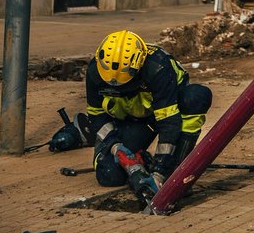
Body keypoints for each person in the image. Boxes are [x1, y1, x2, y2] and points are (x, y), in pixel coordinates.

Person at [86, 30, 212, 194]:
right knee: (109, 175)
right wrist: (115, 146)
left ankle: (177, 169)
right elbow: (96, 115)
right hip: (132, 119)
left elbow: (169, 123)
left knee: (195, 97)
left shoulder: (158, 68)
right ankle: (143, 159)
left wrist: (160, 172)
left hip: (167, 114)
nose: (117, 87)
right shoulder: (96, 70)